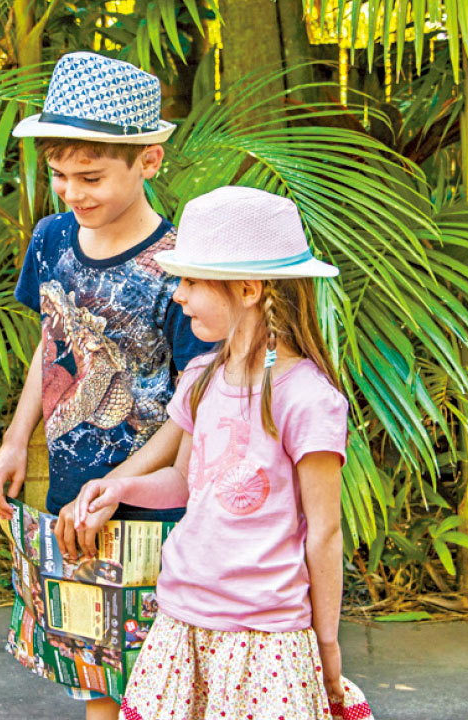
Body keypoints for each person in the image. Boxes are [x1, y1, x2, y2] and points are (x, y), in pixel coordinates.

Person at [74, 186, 374, 720]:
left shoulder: (305, 398)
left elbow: (325, 532)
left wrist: (327, 644)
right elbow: (186, 482)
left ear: (249, 288)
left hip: (265, 636)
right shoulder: (201, 377)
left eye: (191, 280)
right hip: (183, 617)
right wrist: (120, 488)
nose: (179, 295)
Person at [0, 51, 211, 720]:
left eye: (91, 176)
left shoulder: (178, 267)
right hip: (69, 496)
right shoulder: (51, 239)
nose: (74, 193)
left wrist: (124, 485)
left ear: (149, 160)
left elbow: (193, 400)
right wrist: (15, 442)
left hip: (157, 501)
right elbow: (50, 348)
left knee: (158, 678)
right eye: (59, 175)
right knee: (94, 676)